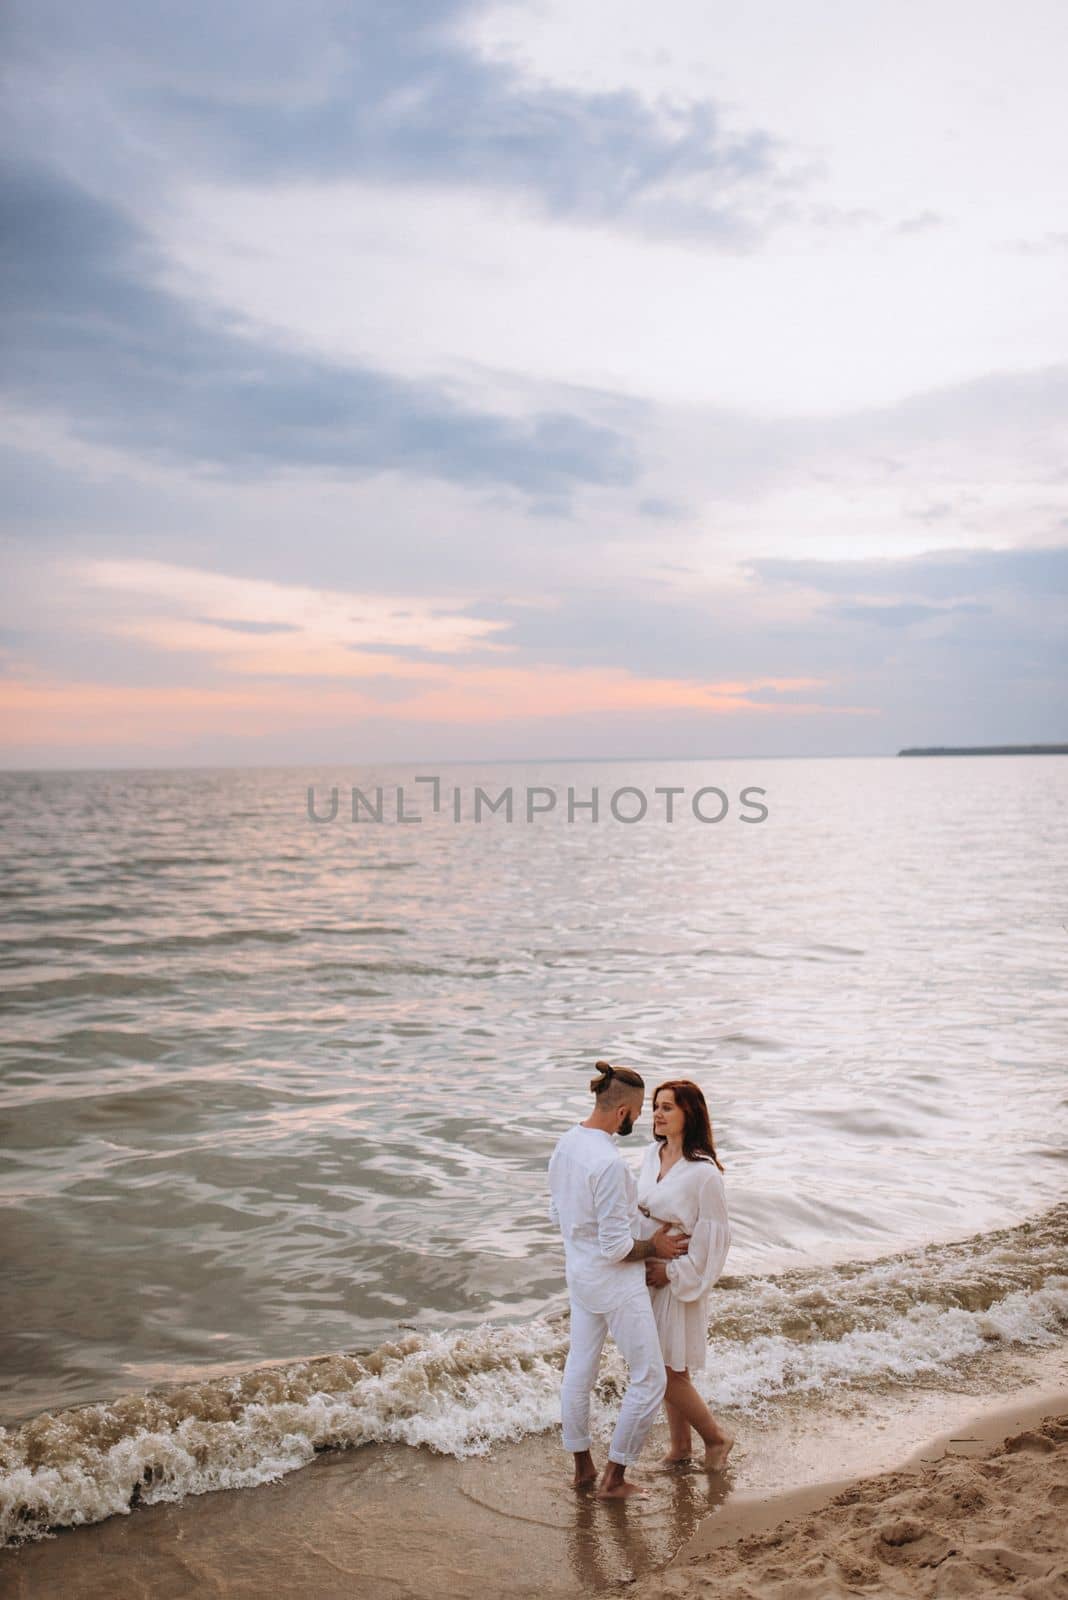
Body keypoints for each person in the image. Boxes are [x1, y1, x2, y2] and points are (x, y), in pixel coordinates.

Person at [548, 1060, 691, 1499]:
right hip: (615, 1282)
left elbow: (559, 1214)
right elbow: (616, 1248)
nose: (645, 1120)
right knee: (650, 1378)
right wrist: (658, 1248)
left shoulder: (567, 1144)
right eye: (640, 1112)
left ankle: (582, 1469)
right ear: (624, 1112)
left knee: (579, 1371)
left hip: (581, 1276)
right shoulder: (608, 1163)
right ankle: (614, 1478)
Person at [637, 1079, 733, 1471]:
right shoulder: (650, 1154)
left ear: (688, 1113)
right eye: (655, 1106)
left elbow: (716, 1239)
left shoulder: (703, 1173)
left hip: (677, 1277)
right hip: (646, 1271)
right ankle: (680, 1449)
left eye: (667, 1108)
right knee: (671, 1365)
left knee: (665, 1369)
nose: (657, 1114)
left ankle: (716, 1438)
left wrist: (673, 1271)